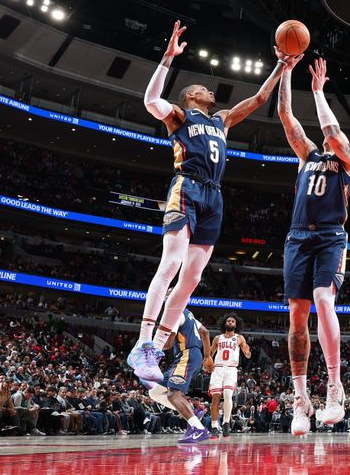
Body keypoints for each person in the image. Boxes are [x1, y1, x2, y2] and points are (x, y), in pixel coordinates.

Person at [128, 20, 299, 382]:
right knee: (171, 263)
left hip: (214, 196)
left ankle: (158, 346)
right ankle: (142, 344)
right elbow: (149, 100)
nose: (211, 93)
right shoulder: (179, 116)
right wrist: (167, 57)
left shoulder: (221, 120)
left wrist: (282, 65)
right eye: (204, 89)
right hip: (186, 186)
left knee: (191, 279)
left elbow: (259, 99)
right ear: (191, 96)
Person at [276, 57, 350, 436]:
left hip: (330, 236)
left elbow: (333, 133)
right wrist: (286, 70)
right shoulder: (306, 157)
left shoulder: (348, 161)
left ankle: (334, 388)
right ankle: (300, 399)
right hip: (297, 235)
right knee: (296, 316)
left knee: (324, 299)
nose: (328, 141)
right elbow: (286, 116)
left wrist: (319, 92)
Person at [141, 308, 213, 444]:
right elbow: (205, 331)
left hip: (186, 355)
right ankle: (194, 412)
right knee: (155, 392)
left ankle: (199, 429)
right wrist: (207, 355)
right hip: (187, 356)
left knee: (173, 394)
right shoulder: (189, 315)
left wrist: (148, 349)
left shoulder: (175, 313)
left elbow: (168, 344)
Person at [208, 313, 251, 437]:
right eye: (228, 321)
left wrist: (247, 352)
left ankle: (226, 422)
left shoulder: (239, 338)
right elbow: (209, 354)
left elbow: (248, 355)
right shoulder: (217, 338)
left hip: (231, 369)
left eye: (233, 321)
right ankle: (214, 426)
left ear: (236, 324)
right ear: (224, 323)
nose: (230, 322)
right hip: (218, 369)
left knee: (227, 395)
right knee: (215, 397)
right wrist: (206, 362)